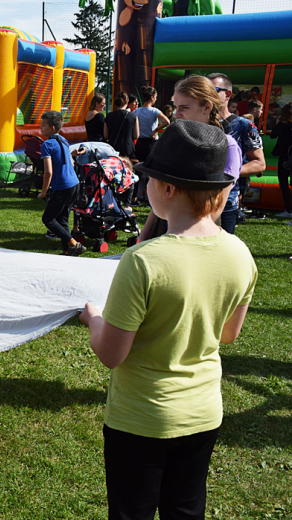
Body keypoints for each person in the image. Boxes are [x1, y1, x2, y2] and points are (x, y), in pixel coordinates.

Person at [79, 119, 257, 520]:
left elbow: (111, 354)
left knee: (132, 512)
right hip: (203, 412)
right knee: (185, 509)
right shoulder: (240, 253)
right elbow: (229, 335)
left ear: (167, 188)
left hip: (140, 419)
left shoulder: (142, 261)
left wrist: (94, 318)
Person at [139, 75, 243, 242]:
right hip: (166, 229)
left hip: (201, 235)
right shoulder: (176, 139)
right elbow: (160, 191)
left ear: (207, 107)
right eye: (175, 107)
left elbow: (217, 205)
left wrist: (184, 239)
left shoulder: (227, 146)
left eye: (184, 107)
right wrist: (144, 236)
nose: (176, 114)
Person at [208, 73, 266, 230]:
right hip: (193, 200)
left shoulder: (243, 125)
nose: (206, 93)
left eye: (212, 89)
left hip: (226, 201)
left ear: (227, 94)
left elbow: (259, 164)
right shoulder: (196, 122)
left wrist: (226, 173)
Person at [38, 111, 85, 256]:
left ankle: (73, 244)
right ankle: (67, 251)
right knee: (62, 218)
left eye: (43, 125)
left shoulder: (47, 144)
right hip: (74, 184)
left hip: (63, 187)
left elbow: (48, 172)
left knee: (48, 218)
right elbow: (70, 161)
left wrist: (44, 192)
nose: (40, 128)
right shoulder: (63, 140)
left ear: (52, 128)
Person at [271, 103, 292, 219]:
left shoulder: (283, 125)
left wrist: (278, 123)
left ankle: (289, 209)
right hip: (290, 155)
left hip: (285, 156)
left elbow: (273, 135)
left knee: (283, 182)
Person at [104, 91, 140, 159]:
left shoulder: (109, 116)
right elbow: (136, 136)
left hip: (113, 149)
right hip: (127, 149)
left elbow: (106, 136)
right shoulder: (133, 116)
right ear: (127, 102)